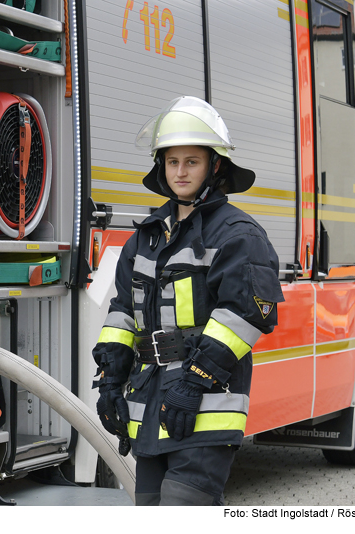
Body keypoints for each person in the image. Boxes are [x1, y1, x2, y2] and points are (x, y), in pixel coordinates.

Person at [92, 96, 284, 505]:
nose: (180, 171)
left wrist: (194, 383)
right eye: (172, 161)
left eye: (191, 162)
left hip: (206, 404)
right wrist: (110, 383)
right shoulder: (145, 237)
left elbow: (244, 316)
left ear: (215, 166)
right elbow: (124, 312)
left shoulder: (238, 234)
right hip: (149, 404)